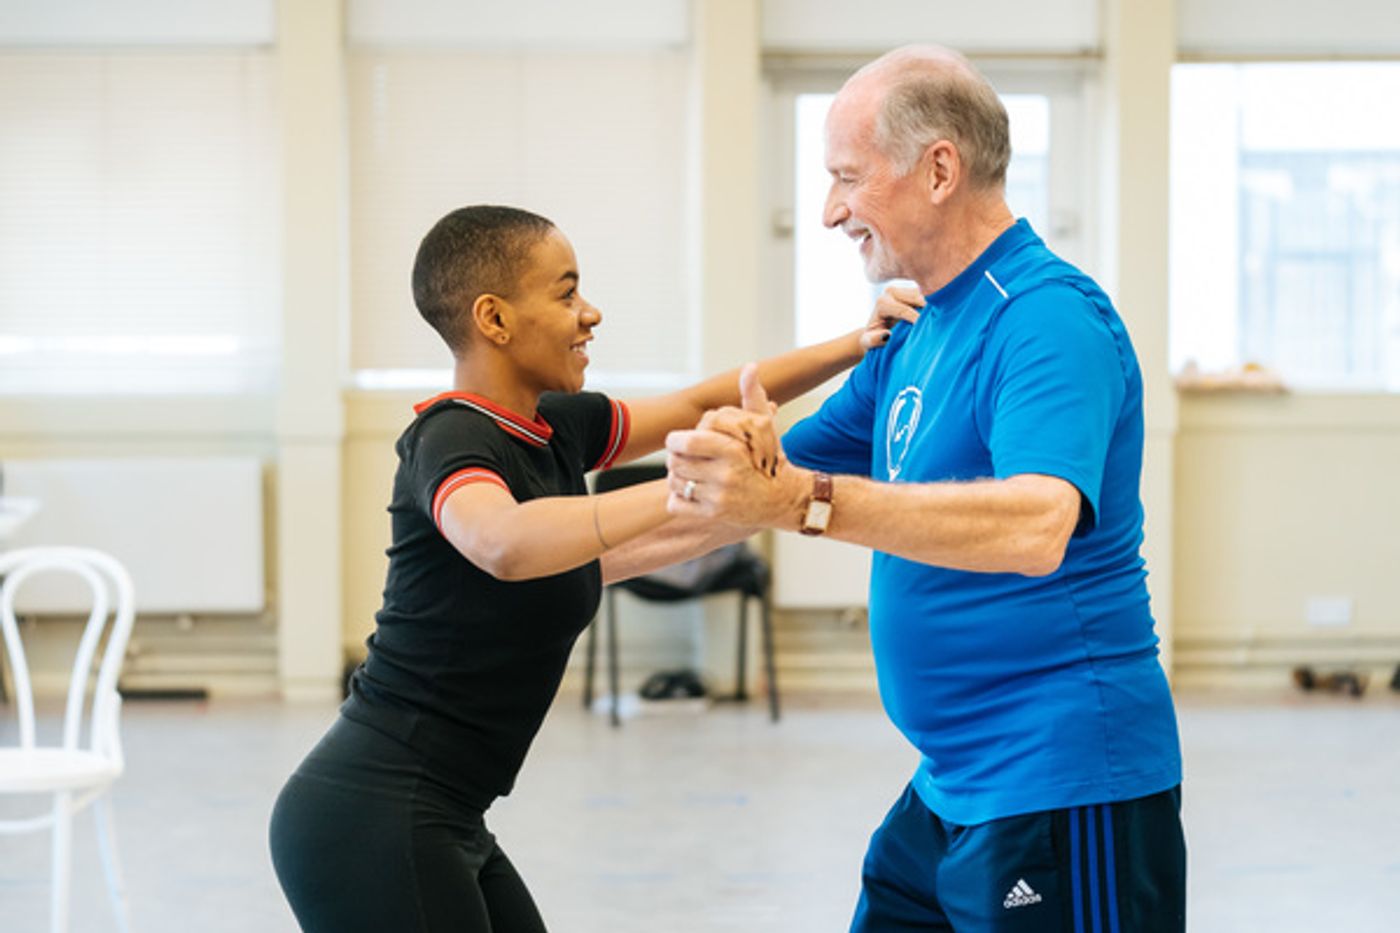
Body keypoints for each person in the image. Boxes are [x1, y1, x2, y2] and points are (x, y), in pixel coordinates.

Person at [660, 46, 1185, 932]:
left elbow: (1036, 523)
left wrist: (800, 501)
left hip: (1063, 782)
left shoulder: (1047, 317)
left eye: (847, 177)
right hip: (951, 784)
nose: (830, 211)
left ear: (939, 170)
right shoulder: (915, 327)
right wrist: (544, 559)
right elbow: (748, 488)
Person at [268, 204, 897, 933]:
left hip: (447, 815)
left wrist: (859, 343)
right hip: (372, 815)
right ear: (494, 319)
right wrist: (688, 486)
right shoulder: (449, 436)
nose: (590, 313)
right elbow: (502, 540)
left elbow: (699, 402)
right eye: (567, 293)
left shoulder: (556, 427)